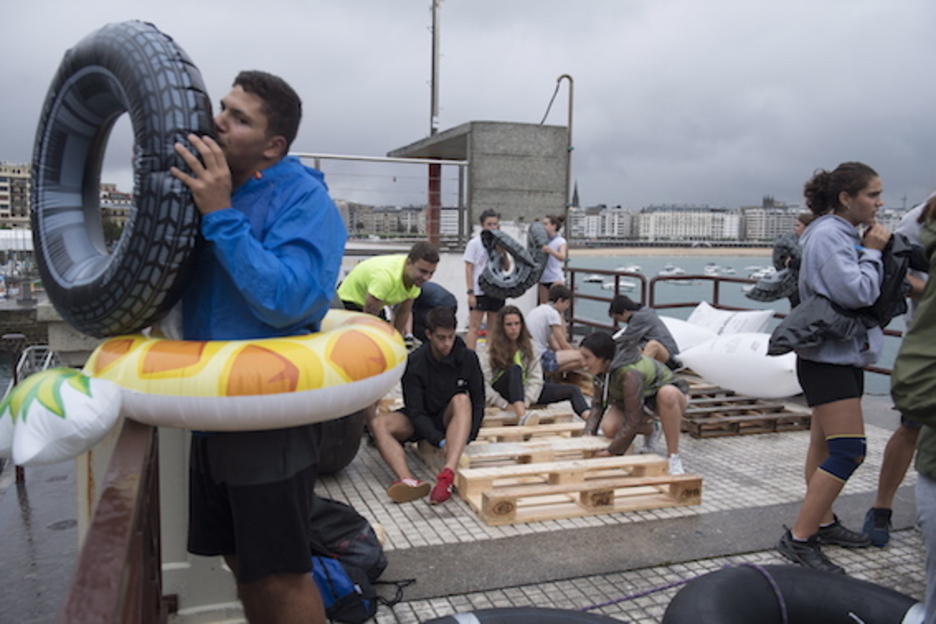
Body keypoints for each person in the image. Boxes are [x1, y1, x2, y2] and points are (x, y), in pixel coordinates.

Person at [170, 71, 347, 623]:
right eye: (223, 108)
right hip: (211, 408)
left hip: (270, 411)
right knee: (239, 560)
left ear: (274, 145)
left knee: (280, 573)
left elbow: (289, 299)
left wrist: (221, 215)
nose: (219, 121)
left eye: (239, 118)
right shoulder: (206, 185)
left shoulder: (304, 200)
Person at [775, 162, 890, 575]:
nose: (879, 203)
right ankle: (799, 538)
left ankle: (821, 524)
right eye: (872, 195)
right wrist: (874, 253)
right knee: (849, 451)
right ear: (846, 198)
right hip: (828, 361)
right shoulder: (829, 236)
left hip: (838, 356)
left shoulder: (837, 232)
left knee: (823, 447)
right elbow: (856, 292)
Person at [863, 197, 931, 546]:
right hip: (928, 340)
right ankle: (881, 508)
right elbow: (899, 274)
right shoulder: (918, 219)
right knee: (912, 427)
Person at [367, 307, 485, 505]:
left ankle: (446, 476)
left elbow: (479, 400)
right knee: (378, 424)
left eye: (450, 337)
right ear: (429, 334)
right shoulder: (415, 362)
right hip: (420, 420)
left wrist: (468, 436)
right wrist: (438, 440)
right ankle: (408, 481)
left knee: (462, 400)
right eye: (440, 338)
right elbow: (414, 411)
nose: (447, 343)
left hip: (448, 418)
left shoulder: (467, 358)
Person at [578, 332, 688, 475]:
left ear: (604, 358)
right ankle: (652, 429)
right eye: (582, 357)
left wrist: (612, 451)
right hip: (635, 401)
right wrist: (588, 433)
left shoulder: (629, 374)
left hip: (668, 398)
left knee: (667, 394)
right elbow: (598, 405)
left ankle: (673, 456)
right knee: (609, 428)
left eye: (587, 358)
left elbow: (633, 419)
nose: (583, 363)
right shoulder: (601, 371)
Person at [480, 305, 590, 424]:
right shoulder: (491, 349)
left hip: (525, 392)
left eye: (517, 324)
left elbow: (536, 378)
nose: (514, 328)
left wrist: (526, 401)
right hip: (503, 392)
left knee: (572, 390)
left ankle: (591, 422)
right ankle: (523, 417)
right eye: (509, 325)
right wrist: (504, 405)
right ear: (502, 327)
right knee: (515, 369)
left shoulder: (530, 345)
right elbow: (484, 385)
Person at [337, 240, 439, 336]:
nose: (427, 278)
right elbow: (370, 311)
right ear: (408, 263)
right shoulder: (385, 277)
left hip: (374, 304)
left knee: (386, 338)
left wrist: (397, 341)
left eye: (431, 273)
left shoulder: (415, 278)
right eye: (423, 271)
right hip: (348, 303)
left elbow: (404, 312)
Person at [464, 209, 507, 349]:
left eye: (495, 224)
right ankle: (470, 357)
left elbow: (506, 268)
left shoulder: (500, 243)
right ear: (483, 225)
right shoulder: (475, 243)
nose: (493, 227)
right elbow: (469, 267)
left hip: (496, 289)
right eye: (489, 224)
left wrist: (504, 252)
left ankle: (490, 357)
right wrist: (470, 292)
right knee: (474, 326)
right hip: (479, 289)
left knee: (493, 328)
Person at [608, 295, 681, 370]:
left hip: (669, 355)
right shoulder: (642, 312)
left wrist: (608, 345)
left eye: (618, 318)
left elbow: (627, 338)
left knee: (652, 345)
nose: (619, 321)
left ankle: (640, 373)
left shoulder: (640, 317)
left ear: (625, 311)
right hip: (662, 351)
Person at [526, 284, 584, 374]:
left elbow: (554, 344)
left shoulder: (540, 309)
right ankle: (548, 373)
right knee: (581, 358)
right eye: (567, 303)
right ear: (560, 301)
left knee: (574, 356)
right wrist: (577, 353)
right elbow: (562, 344)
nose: (567, 307)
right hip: (539, 357)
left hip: (530, 356)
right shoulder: (553, 314)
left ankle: (549, 374)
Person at [412, 281, 457, 346]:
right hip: (452, 302)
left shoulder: (412, 290)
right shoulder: (421, 285)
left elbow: (408, 313)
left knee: (418, 324)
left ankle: (429, 344)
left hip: (438, 303)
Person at [538, 214, 568, 304]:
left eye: (546, 224)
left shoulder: (560, 241)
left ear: (554, 226)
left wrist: (550, 251)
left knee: (557, 305)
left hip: (555, 278)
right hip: (543, 278)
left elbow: (562, 257)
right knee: (544, 305)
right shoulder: (543, 240)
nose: (544, 227)